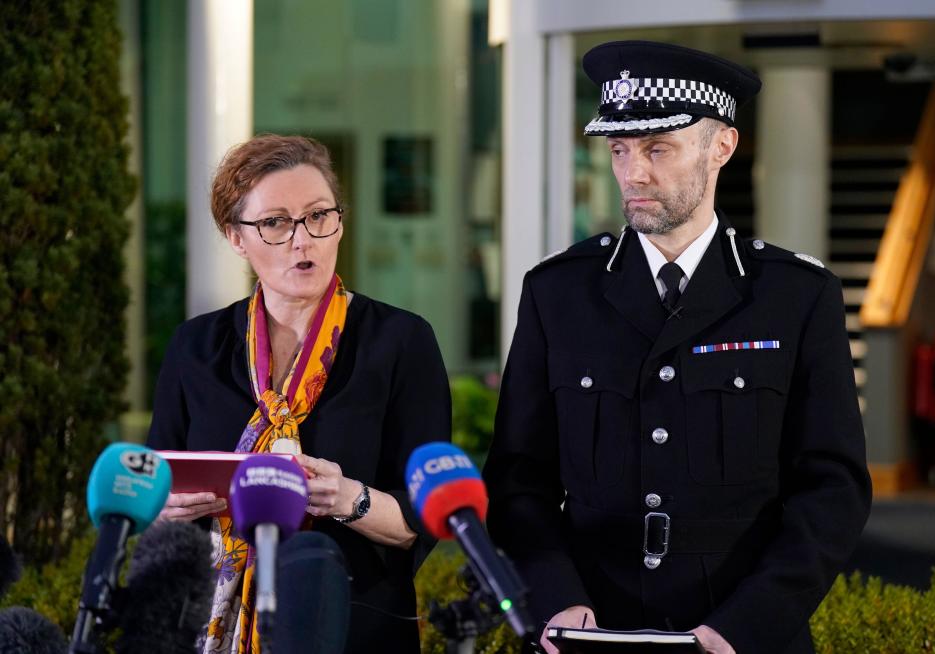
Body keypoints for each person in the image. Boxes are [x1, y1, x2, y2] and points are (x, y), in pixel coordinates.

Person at [483, 40, 872, 654]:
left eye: (658, 148)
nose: (633, 172)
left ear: (722, 147)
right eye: (620, 149)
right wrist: (559, 601)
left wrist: (744, 626)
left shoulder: (796, 296)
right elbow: (517, 482)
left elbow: (833, 491)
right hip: (590, 630)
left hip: (742, 635)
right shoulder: (558, 294)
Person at [147, 134, 451, 654]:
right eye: (275, 223)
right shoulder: (195, 346)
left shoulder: (401, 341)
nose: (302, 240)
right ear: (236, 237)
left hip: (354, 625)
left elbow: (426, 518)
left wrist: (347, 498)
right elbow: (156, 485)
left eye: (318, 216)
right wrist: (166, 506)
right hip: (202, 623)